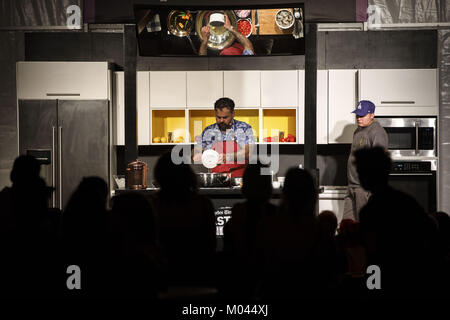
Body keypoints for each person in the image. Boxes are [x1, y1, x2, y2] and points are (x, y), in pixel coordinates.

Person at [343, 100, 388, 221]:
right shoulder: (358, 131)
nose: (359, 118)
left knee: (365, 225)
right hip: (352, 185)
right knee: (347, 226)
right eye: (357, 115)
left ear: (372, 115)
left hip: (364, 189)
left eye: (362, 115)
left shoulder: (377, 132)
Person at [193, 97, 255, 177]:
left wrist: (228, 157)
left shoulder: (244, 128)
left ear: (233, 114)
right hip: (216, 178)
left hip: (239, 178)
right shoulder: (209, 130)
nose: (221, 120)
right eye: (218, 117)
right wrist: (198, 154)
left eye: (225, 117)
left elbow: (248, 152)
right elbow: (195, 150)